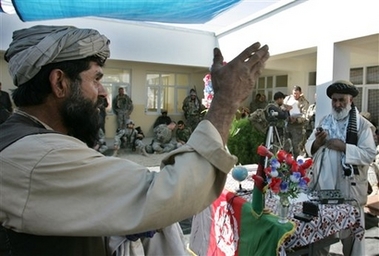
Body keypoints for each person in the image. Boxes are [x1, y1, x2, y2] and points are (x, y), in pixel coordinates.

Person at [0, 25, 269, 255]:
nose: (103, 93)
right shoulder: (36, 157)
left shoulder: (32, 140)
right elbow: (169, 192)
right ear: (59, 83)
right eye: (96, 79)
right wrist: (225, 102)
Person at [305, 80, 376, 256]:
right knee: (320, 238)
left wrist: (344, 147)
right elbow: (308, 146)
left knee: (352, 241)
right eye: (334, 100)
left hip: (349, 192)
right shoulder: (324, 121)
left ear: (350, 100)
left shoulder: (362, 125)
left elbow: (368, 155)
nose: (337, 104)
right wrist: (318, 142)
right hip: (323, 189)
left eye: (341, 100)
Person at [283, 85, 309, 158]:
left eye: (297, 94)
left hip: (297, 127)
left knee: (296, 147)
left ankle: (297, 164)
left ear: (300, 93)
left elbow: (305, 115)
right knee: (285, 146)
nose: (295, 95)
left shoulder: (303, 102)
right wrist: (285, 110)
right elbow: (282, 106)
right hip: (288, 125)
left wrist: (297, 119)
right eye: (294, 93)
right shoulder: (287, 99)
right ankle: (285, 163)